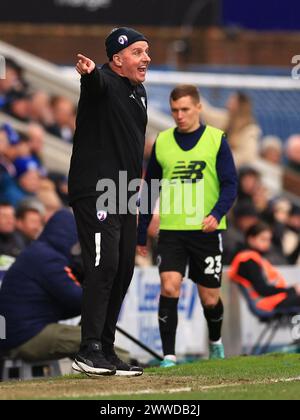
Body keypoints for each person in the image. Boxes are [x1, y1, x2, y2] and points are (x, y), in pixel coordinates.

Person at [68, 27, 151, 377]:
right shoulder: (101, 81)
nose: (146, 58)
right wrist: (88, 75)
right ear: (117, 59)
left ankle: (105, 348)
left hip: (123, 192)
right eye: (138, 52)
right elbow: (95, 86)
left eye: (146, 51)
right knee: (103, 266)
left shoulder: (140, 92)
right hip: (97, 188)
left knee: (123, 271)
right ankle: (87, 350)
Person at [137, 85, 238, 366]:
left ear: (198, 108)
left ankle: (215, 342)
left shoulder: (216, 140)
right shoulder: (163, 141)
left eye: (184, 110)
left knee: (209, 298)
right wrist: (140, 232)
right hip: (171, 230)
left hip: (206, 231)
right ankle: (168, 355)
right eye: (174, 111)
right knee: (169, 287)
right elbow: (150, 188)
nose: (179, 116)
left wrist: (216, 214)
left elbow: (230, 184)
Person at [0, 210, 82, 361]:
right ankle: (129, 364)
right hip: (24, 337)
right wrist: (99, 286)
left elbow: (70, 305)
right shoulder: (46, 258)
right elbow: (77, 298)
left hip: (17, 335)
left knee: (90, 335)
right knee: (93, 340)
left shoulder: (39, 252)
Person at [229, 222, 300, 314]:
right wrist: (292, 290)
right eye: (263, 239)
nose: (267, 243)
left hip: (273, 299)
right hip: (266, 302)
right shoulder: (248, 260)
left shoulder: (254, 258)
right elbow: (262, 290)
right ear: (251, 239)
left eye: (269, 239)